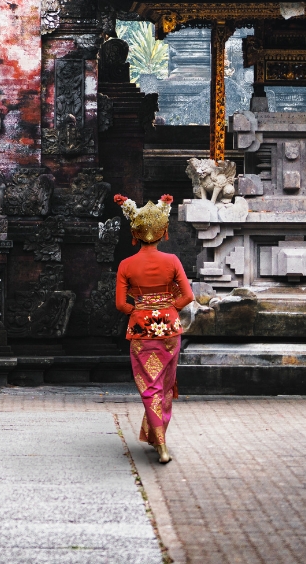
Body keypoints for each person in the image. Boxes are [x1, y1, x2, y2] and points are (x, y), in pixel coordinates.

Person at [115, 193, 193, 464]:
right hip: (169, 330)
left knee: (149, 386)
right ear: (163, 233)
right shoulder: (171, 261)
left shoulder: (126, 264)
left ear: (134, 234)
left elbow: (120, 304)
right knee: (166, 385)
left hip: (141, 330)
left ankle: (159, 444)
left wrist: (138, 309)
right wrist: (168, 306)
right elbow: (188, 296)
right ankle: (158, 440)